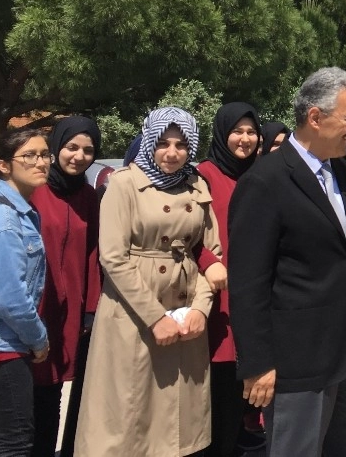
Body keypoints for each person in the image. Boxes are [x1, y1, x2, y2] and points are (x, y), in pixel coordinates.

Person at [229, 68, 346, 457]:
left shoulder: (342, 171)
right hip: (297, 360)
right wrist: (257, 362)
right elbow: (248, 281)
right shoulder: (266, 182)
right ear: (315, 117)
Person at [75, 107, 222, 456]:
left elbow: (208, 251)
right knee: (128, 420)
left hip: (184, 310)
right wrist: (155, 317)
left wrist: (200, 309)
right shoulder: (123, 184)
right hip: (134, 312)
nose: (172, 153)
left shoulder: (197, 185)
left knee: (177, 425)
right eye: (163, 143)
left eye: (181, 145)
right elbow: (112, 257)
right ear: (149, 142)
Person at [29, 117, 102, 457]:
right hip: (30, 309)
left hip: (68, 312)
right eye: (72, 147)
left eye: (88, 150)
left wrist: (89, 310)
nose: (79, 156)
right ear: (57, 146)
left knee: (52, 394)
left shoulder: (89, 196)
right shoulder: (33, 190)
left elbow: (93, 254)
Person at [0, 129, 51, 457]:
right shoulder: (4, 218)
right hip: (2, 347)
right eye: (30, 156)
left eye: (45, 154)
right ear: (4, 165)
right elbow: (9, 297)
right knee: (14, 445)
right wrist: (39, 339)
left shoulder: (14, 211)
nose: (41, 162)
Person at [196, 103, 261, 456]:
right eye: (237, 131)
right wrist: (209, 262)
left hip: (250, 298)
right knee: (210, 400)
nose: (245, 138)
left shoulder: (261, 175)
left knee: (234, 403)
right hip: (214, 297)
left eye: (251, 132)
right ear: (222, 133)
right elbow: (186, 232)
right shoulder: (203, 175)